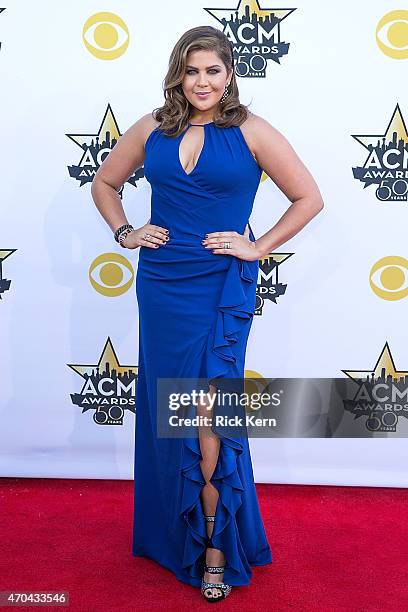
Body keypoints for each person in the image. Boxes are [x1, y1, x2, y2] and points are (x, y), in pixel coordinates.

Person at [91, 25, 324, 603]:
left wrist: (258, 245)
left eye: (212, 71)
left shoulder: (251, 131)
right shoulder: (153, 127)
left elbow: (309, 197)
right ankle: (178, 534)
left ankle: (215, 543)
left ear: (229, 75)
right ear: (179, 74)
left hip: (221, 285)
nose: (202, 82)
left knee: (206, 408)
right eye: (192, 71)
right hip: (164, 283)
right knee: (172, 401)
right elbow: (105, 181)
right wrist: (126, 230)